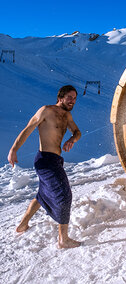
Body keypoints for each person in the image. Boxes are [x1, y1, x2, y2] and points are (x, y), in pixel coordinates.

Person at [8, 85, 82, 249]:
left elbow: (77, 132)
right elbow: (28, 128)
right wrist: (14, 149)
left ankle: (23, 225)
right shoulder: (46, 111)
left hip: (55, 160)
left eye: (75, 98)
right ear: (60, 97)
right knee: (64, 195)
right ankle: (63, 239)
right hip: (45, 160)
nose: (72, 101)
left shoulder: (67, 116)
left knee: (42, 195)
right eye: (69, 97)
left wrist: (72, 140)